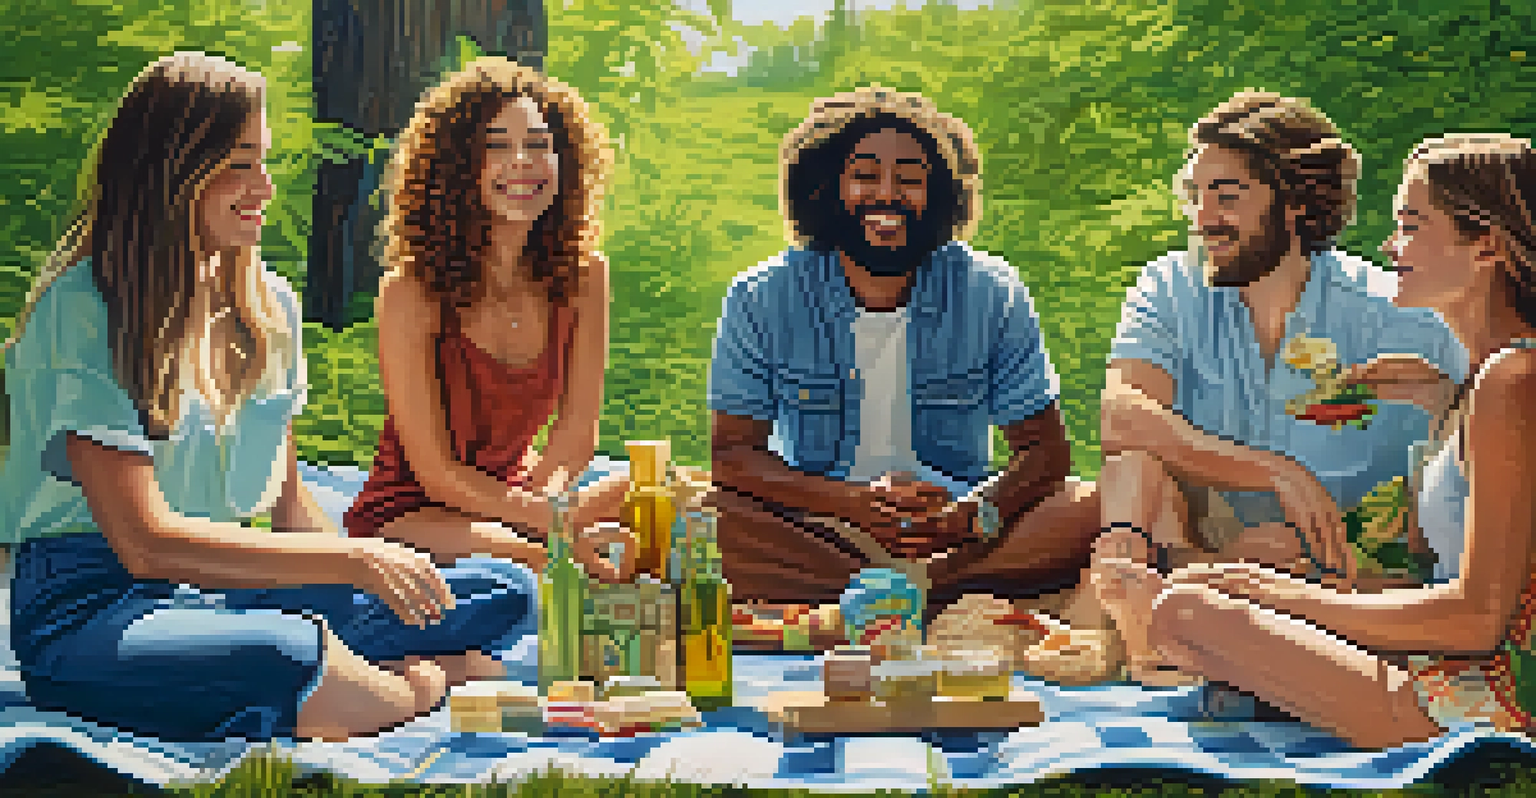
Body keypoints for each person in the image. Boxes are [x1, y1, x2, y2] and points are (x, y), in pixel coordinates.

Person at [0, 53, 533, 743]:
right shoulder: (86, 309)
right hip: (95, 607)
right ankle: (414, 686)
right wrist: (354, 566)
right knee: (284, 651)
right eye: (239, 164)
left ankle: (333, 673)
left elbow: (288, 505)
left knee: (498, 589)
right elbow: (145, 545)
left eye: (264, 163)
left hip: (230, 585)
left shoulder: (268, 307)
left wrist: (363, 576)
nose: (265, 187)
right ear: (173, 169)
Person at [1093, 133, 1536, 748]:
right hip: (1449, 669)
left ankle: (1212, 668)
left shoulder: (1510, 383)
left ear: (1485, 242)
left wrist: (1283, 597)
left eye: (1411, 226)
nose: (1391, 247)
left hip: (1481, 698)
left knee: (1185, 614)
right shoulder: (1488, 381)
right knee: (1206, 596)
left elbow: (1479, 619)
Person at [707, 86, 1101, 621]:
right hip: (818, 524)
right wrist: (852, 504)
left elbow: (1045, 454)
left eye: (911, 179)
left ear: (940, 195)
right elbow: (732, 456)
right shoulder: (761, 295)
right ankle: (936, 596)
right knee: (700, 518)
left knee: (1091, 507)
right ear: (827, 188)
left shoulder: (992, 290)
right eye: (865, 175)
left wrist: (971, 513)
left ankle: (888, 593)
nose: (886, 195)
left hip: (955, 530)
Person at [343, 58, 630, 579]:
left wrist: (546, 506)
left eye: (540, 144)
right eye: (496, 146)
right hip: (416, 510)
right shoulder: (411, 292)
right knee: (538, 560)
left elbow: (575, 435)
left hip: (522, 496)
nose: (523, 161)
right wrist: (549, 526)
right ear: (458, 167)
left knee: (672, 491)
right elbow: (435, 475)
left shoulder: (586, 276)